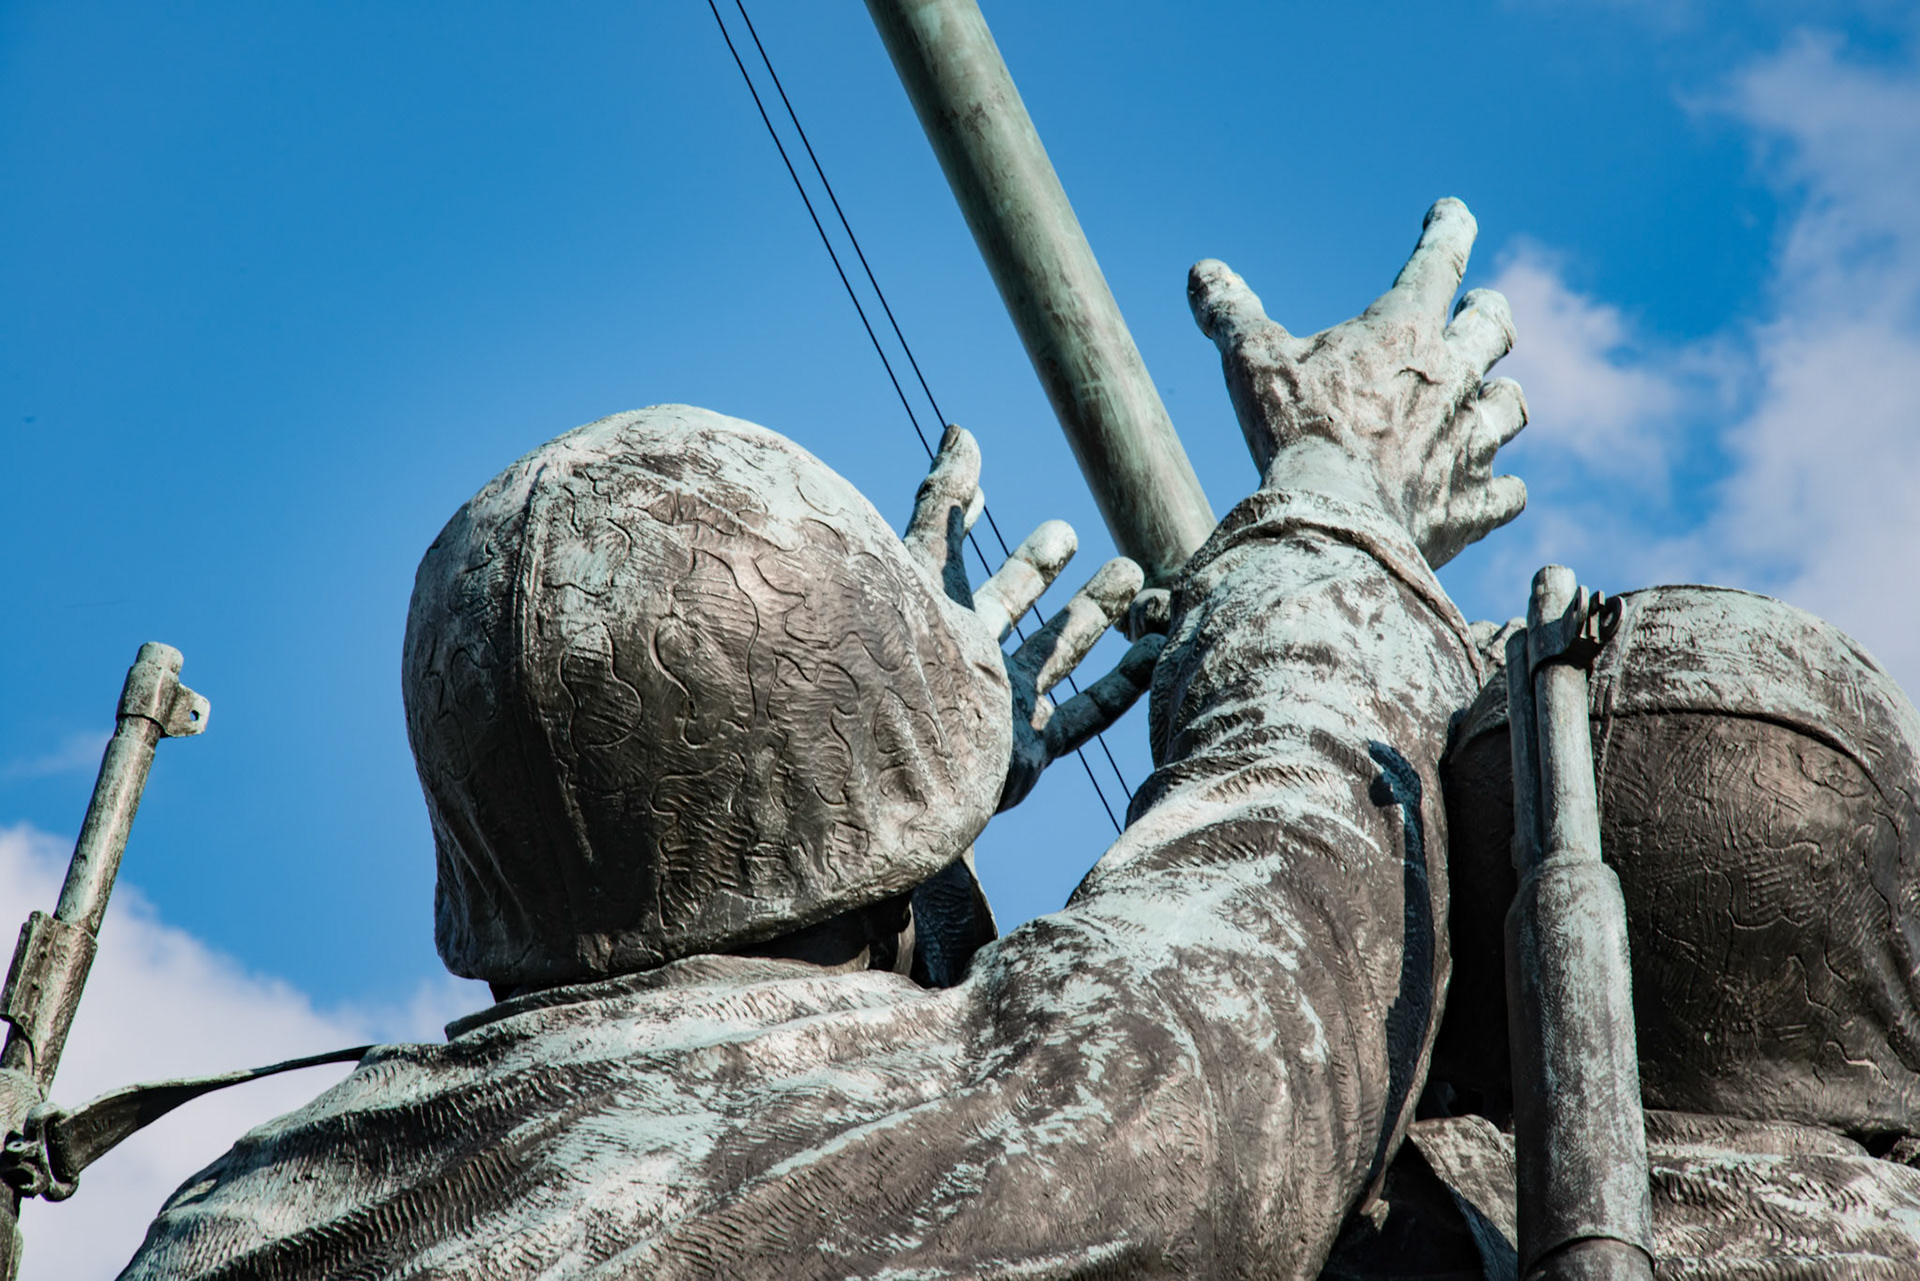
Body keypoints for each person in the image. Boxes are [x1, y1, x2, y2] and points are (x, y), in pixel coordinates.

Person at [118, 199, 1528, 1280]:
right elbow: (1284, 923)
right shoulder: (958, 1150)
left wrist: (896, 773)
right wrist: (1344, 495)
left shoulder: (236, 1213)